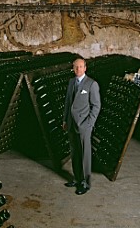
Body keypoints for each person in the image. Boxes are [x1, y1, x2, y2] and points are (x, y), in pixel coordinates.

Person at [62, 57, 101, 195]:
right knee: (75, 153)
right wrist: (65, 120)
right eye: (75, 67)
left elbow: (96, 106)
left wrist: (89, 124)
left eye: (81, 67)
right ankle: (77, 179)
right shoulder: (71, 82)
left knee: (85, 154)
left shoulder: (92, 84)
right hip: (71, 124)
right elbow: (68, 103)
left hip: (84, 125)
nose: (78, 69)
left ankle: (86, 183)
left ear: (85, 68)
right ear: (73, 68)